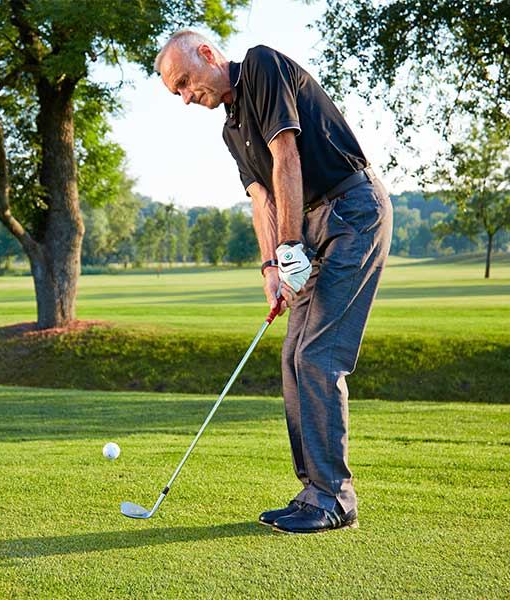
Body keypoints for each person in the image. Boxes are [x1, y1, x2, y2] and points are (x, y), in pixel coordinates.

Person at [154, 31, 392, 534]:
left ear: (207, 55)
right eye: (175, 93)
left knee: (317, 354)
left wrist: (290, 249)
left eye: (184, 84)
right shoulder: (230, 130)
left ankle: (335, 500)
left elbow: (287, 156)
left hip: (354, 210)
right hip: (308, 223)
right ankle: (314, 492)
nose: (184, 98)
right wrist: (271, 269)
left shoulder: (262, 66)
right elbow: (261, 198)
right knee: (291, 357)